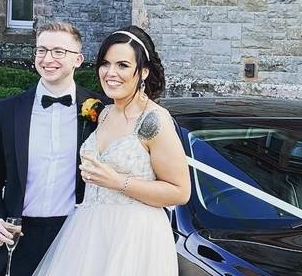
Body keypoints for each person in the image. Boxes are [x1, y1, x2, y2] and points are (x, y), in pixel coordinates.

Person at [31, 25, 191, 276]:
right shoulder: (103, 112)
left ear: (144, 72)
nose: (110, 73)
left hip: (134, 238)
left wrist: (118, 182)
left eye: (123, 65)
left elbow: (180, 192)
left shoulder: (154, 120)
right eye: (105, 64)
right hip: (88, 232)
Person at [0, 22, 105, 276]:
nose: (48, 59)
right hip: (18, 236)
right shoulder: (7, 111)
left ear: (78, 59)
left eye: (58, 52)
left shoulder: (102, 111)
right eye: (41, 50)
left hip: (75, 234)